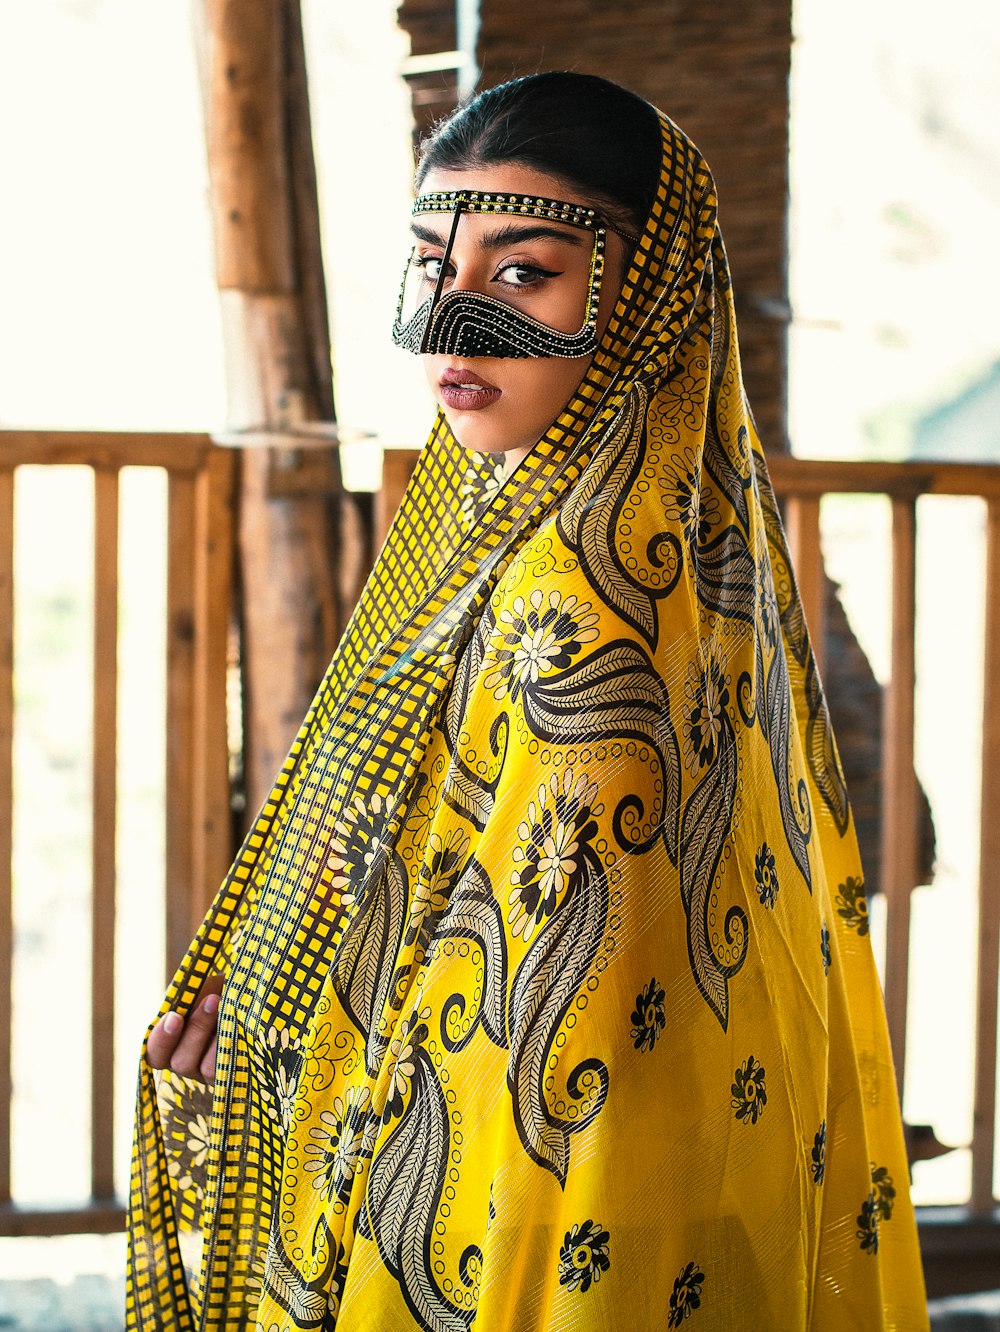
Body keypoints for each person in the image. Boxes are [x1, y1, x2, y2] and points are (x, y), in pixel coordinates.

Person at [127, 71, 929, 1330]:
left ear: (644, 298)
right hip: (663, 1172)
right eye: (437, 266)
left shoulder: (579, 593)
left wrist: (296, 1059)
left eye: (523, 274)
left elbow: (519, 1010)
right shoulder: (677, 534)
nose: (456, 327)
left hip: (542, 1217)